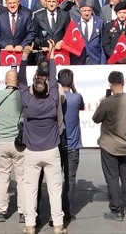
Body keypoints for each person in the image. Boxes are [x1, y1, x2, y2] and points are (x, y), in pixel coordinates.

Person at [18, 53, 66, 234]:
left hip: (32, 151)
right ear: (47, 90)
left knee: (30, 189)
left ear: (32, 89)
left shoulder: (27, 101)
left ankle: (30, 225)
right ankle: (58, 225)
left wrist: (24, 58)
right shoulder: (53, 101)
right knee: (55, 189)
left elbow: (21, 81)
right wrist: (52, 56)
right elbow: (53, 78)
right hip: (51, 150)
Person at [93, 70, 126, 221]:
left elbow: (96, 119)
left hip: (109, 145)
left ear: (110, 84)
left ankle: (117, 210)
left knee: (112, 178)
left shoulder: (107, 102)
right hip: (125, 144)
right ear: (123, 82)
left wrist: (101, 104)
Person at [0, 69, 25, 224]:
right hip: (20, 143)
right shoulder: (24, 96)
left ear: (5, 81)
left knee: (2, 178)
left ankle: (0, 211)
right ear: (17, 82)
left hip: (1, 142)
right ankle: (23, 212)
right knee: (23, 179)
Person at [57, 69, 85, 221]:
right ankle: (65, 210)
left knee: (55, 178)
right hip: (72, 145)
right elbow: (82, 106)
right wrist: (73, 88)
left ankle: (56, 210)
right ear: (72, 81)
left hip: (56, 144)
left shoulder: (54, 98)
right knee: (70, 178)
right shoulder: (76, 97)